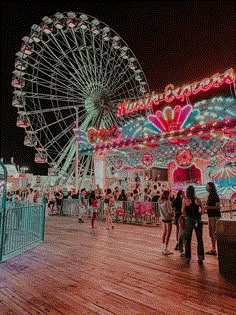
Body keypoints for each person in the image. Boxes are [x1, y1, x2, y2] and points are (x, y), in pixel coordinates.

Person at [181, 185, 205, 264]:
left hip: (189, 220)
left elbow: (183, 210)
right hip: (197, 220)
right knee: (200, 239)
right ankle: (200, 258)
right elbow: (203, 208)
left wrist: (185, 216)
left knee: (188, 239)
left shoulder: (185, 200)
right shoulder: (197, 199)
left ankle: (188, 257)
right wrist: (199, 215)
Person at [204, 182, 221, 256]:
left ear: (210, 187)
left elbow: (218, 207)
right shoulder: (209, 195)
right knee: (211, 233)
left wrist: (208, 207)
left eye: (207, 186)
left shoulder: (215, 195)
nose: (206, 187)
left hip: (214, 216)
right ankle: (213, 249)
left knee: (215, 233)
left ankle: (218, 249)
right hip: (210, 216)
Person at [158, 190, 175, 255]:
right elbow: (169, 211)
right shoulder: (167, 202)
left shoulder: (160, 201)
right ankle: (166, 248)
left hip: (163, 218)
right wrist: (173, 212)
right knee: (168, 233)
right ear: (168, 195)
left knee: (164, 232)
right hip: (168, 218)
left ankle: (162, 247)